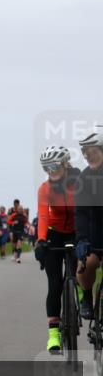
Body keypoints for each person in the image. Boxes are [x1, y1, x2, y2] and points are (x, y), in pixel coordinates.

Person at [33, 145, 80, 353]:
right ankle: (54, 335)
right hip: (54, 233)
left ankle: (79, 295)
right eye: (46, 168)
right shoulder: (45, 189)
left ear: (65, 164)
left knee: (80, 271)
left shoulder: (79, 183)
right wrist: (41, 240)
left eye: (54, 166)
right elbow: (43, 215)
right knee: (54, 283)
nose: (50, 171)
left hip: (77, 231)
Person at [75, 127, 103, 319]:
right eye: (84, 153)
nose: (87, 156)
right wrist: (82, 239)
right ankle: (86, 295)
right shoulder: (84, 178)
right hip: (95, 230)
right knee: (86, 264)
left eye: (91, 151)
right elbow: (81, 212)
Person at [7, 199, 28, 263]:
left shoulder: (24, 216)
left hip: (21, 232)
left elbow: (26, 222)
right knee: (14, 245)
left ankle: (18, 258)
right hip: (14, 231)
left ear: (22, 210)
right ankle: (14, 254)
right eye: (19, 209)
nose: (20, 210)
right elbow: (8, 221)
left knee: (19, 244)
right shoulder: (14, 215)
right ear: (17, 210)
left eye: (21, 209)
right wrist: (13, 222)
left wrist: (28, 227)